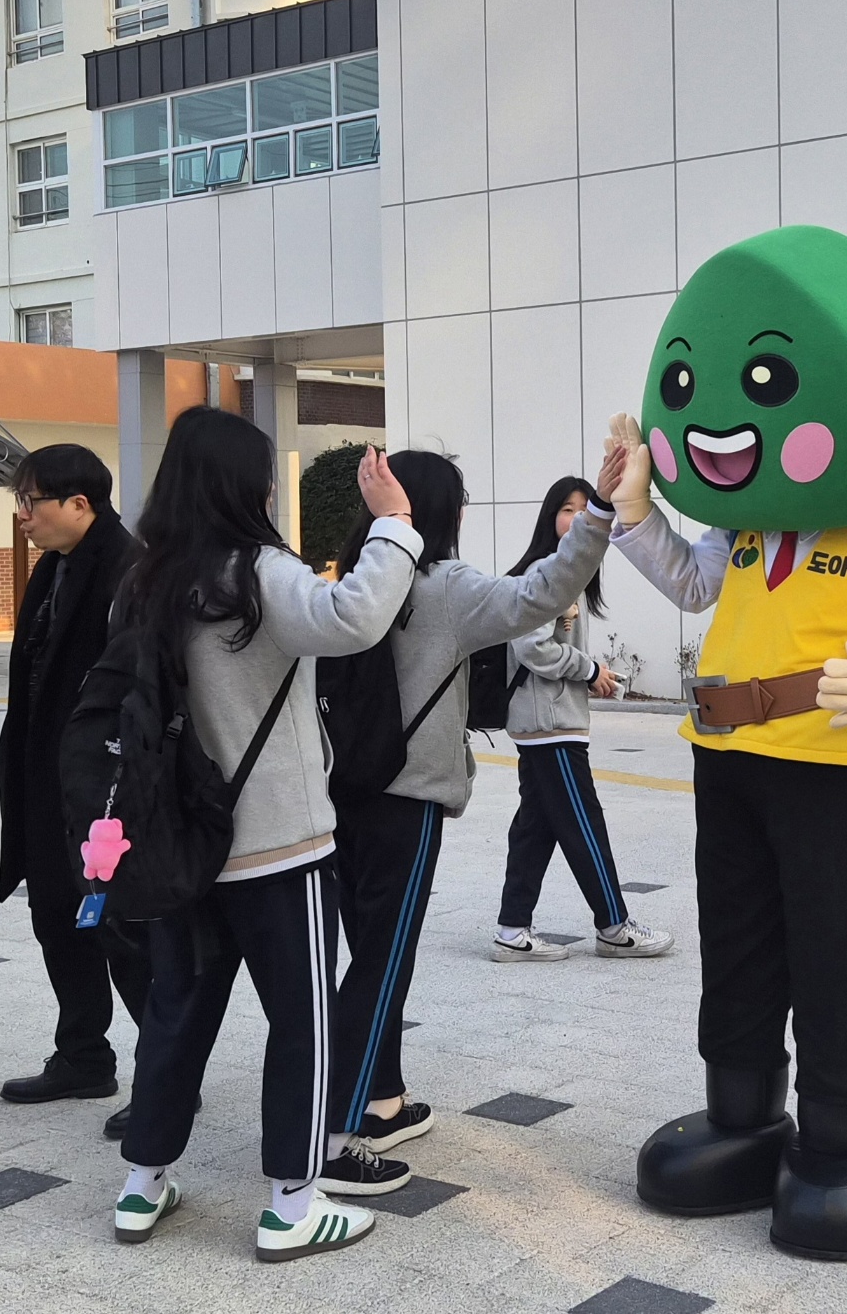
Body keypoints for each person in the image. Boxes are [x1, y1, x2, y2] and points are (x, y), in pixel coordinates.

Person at [605, 225, 847, 1260]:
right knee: (738, 948)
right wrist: (635, 514)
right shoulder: (745, 521)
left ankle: (836, 1144)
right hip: (731, 760)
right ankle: (744, 1117)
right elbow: (695, 586)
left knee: (841, 957)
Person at [111, 409, 423, 1262]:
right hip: (279, 847)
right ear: (246, 484)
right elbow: (354, 618)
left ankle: (142, 1183)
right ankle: (293, 1201)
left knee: (176, 1013)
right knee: (302, 1020)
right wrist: (393, 523)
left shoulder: (145, 579)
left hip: (182, 847)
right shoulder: (258, 571)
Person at [321, 444, 624, 1196]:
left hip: (340, 792)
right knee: (384, 965)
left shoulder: (359, 575)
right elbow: (543, 590)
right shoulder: (446, 586)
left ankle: (383, 1099)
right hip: (409, 794)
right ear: (442, 510)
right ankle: (336, 1134)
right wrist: (599, 518)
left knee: (367, 957)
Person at [0, 444, 152, 1140]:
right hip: (47, 777)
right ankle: (83, 1054)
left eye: (34, 501)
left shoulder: (129, 570)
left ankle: (166, 1070)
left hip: (104, 787)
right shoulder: (56, 567)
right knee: (59, 916)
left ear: (80, 504)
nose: (22, 514)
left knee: (122, 930)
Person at [492, 476, 673, 963]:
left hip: (549, 719)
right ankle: (613, 924)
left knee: (538, 825)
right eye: (566, 509)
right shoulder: (542, 573)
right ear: (550, 518)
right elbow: (532, 648)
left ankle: (512, 929)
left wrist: (590, 669)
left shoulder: (567, 576)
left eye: (582, 509)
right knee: (583, 823)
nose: (574, 519)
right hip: (549, 723)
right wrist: (589, 669)